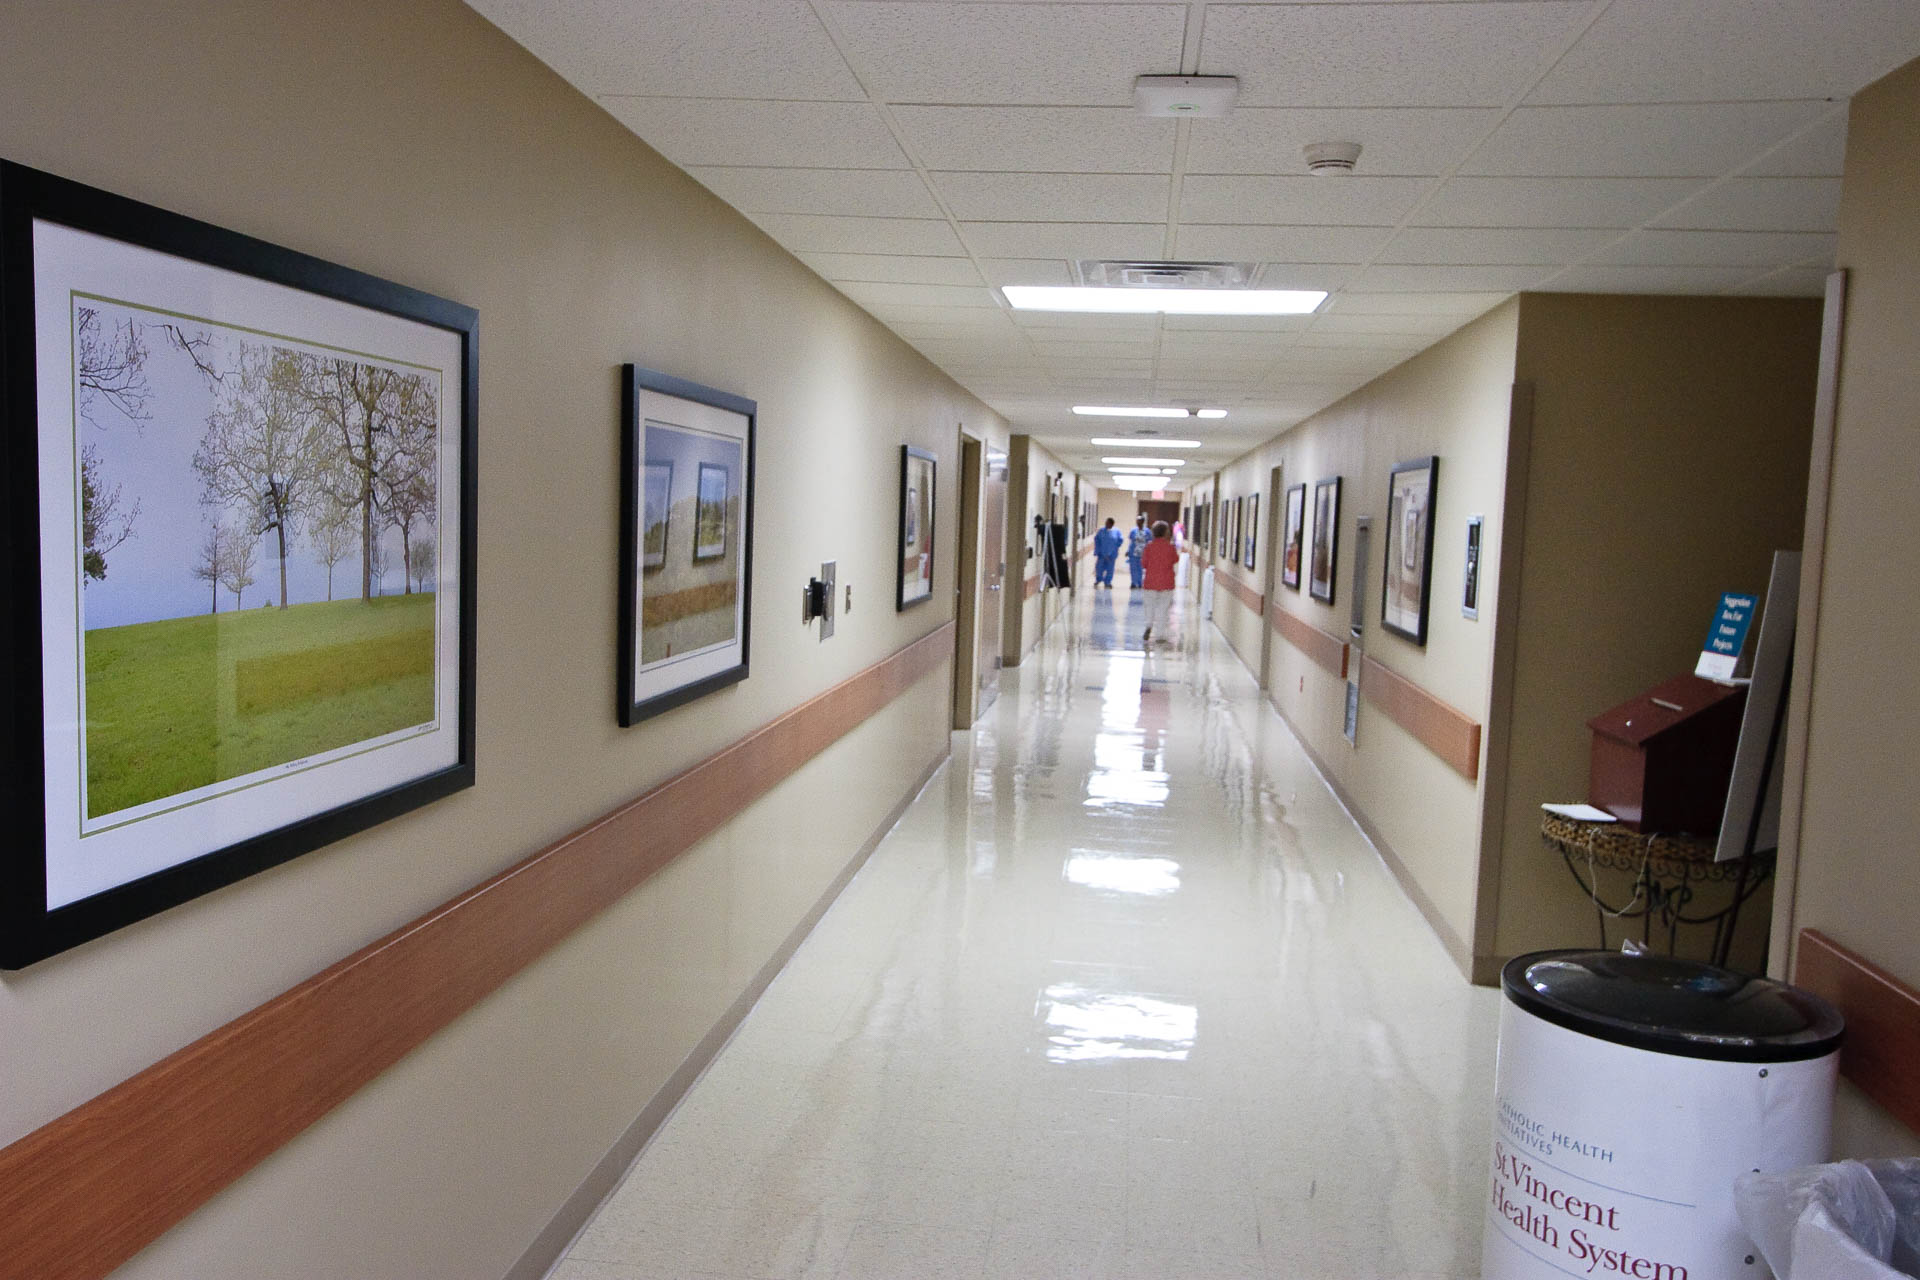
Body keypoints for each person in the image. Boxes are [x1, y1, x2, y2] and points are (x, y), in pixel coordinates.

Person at [1140, 520, 1179, 646]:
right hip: (1166, 583)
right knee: (1163, 609)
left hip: (1150, 582)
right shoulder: (1170, 547)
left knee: (1149, 607)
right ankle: (1160, 635)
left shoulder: (1149, 547)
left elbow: (1144, 564)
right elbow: (1175, 559)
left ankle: (1148, 625)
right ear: (1166, 532)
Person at [1092, 517, 1122, 587]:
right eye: (1106, 523)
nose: (1106, 524)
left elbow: (1120, 541)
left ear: (1111, 524)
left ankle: (1107, 582)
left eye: (1108, 523)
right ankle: (1098, 580)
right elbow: (1097, 540)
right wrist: (1097, 551)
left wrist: (1115, 549)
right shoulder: (1101, 531)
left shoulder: (1116, 531)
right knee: (1099, 568)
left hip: (1112, 555)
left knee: (1110, 569)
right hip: (1101, 554)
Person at [1125, 515, 1151, 590]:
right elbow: (1130, 541)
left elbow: (1149, 542)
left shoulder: (1147, 531)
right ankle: (1133, 583)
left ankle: (1140, 583)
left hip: (1143, 553)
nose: (1138, 522)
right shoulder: (1133, 531)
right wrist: (1128, 550)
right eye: (1137, 521)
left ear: (1143, 521)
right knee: (1133, 568)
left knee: (1141, 569)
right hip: (1133, 553)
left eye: (1139, 521)